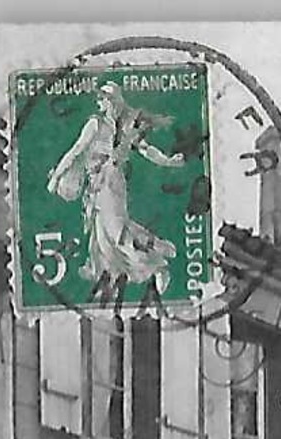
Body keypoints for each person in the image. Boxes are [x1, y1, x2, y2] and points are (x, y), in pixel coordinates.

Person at [47, 81, 185, 295]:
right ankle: (154, 246)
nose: (102, 103)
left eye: (105, 99)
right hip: (96, 184)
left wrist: (167, 161)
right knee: (103, 234)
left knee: (115, 231)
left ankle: (156, 266)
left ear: (115, 101)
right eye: (100, 99)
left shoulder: (126, 127)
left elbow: (146, 149)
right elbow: (76, 150)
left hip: (111, 181)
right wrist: (57, 176)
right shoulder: (95, 124)